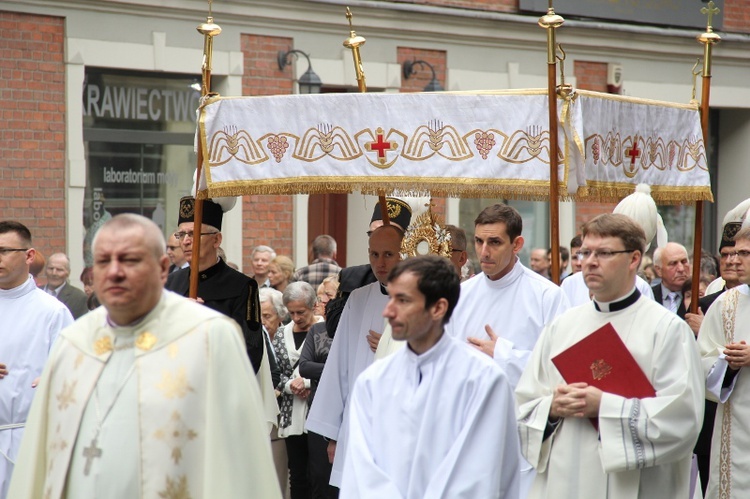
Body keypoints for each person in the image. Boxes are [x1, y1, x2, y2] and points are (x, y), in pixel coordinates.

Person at [8, 214, 281, 499]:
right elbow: (41, 462)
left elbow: (241, 459)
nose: (115, 271)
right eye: (103, 261)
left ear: (163, 267)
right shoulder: (74, 343)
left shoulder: (210, 337)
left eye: (130, 260)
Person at [516, 213, 704, 499]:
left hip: (634, 486)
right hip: (564, 482)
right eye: (585, 252)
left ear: (634, 259)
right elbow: (524, 406)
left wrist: (604, 406)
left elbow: (682, 421)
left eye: (604, 253)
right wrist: (551, 409)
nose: (589, 261)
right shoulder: (561, 326)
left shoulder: (667, 330)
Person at [340, 255, 520, 498]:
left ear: (438, 308)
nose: (388, 311)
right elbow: (360, 468)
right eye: (391, 298)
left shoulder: (482, 380)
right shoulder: (373, 381)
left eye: (402, 300)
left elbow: (478, 472)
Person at [445, 203, 568, 495]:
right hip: (467, 431)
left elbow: (559, 372)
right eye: (479, 241)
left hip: (521, 434)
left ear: (517, 244)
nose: (484, 251)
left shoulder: (547, 297)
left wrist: (503, 354)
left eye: (495, 242)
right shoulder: (460, 296)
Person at [306, 224, 404, 489]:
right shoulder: (358, 299)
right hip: (358, 418)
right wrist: (334, 433)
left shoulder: (423, 299)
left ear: (404, 253)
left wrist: (392, 344)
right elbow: (340, 364)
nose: (379, 263)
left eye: (388, 254)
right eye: (374, 254)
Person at [0, 222, 74, 499]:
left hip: (27, 441)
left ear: (29, 256)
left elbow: (70, 377)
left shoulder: (53, 313)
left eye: (4, 251)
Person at [165, 196, 264, 373]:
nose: (186, 241)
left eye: (194, 234)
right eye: (181, 234)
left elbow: (251, 352)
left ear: (216, 240)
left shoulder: (242, 286)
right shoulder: (171, 282)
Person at [697, 225, 750, 498]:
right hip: (736, 424)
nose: (734, 260)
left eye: (745, 253)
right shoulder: (725, 304)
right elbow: (701, 364)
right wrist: (727, 364)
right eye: (734, 252)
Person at [324, 197, 412, 340]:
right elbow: (336, 329)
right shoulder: (353, 278)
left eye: (387, 232)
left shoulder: (421, 285)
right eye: (373, 233)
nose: (380, 237)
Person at [273, 282, 323, 499]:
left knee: (319, 474)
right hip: (291, 414)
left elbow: (335, 369)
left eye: (301, 312)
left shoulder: (327, 331)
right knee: (297, 473)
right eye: (291, 312)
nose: (295, 317)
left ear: (314, 305)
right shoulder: (281, 334)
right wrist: (290, 386)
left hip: (318, 411)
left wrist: (308, 383)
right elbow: (274, 372)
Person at [300, 276, 339, 499]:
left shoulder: (351, 329)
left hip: (343, 410)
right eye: (321, 299)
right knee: (319, 475)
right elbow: (304, 367)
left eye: (328, 298)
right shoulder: (317, 331)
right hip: (318, 408)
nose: (321, 303)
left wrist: (324, 368)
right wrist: (335, 369)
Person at [259, 287, 290, 498]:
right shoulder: (256, 335)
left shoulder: (286, 338)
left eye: (267, 316)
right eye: (258, 315)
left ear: (280, 316)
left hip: (281, 422)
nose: (261, 321)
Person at [42, 252, 89, 319]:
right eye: (51, 268)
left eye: (59, 270)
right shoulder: (34, 292)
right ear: (45, 270)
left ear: (68, 273)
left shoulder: (79, 298)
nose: (54, 273)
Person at [652, 242, 691, 318]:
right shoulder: (649, 295)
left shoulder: (699, 295)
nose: (681, 269)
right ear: (658, 270)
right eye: (673, 263)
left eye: (684, 262)